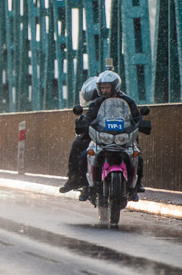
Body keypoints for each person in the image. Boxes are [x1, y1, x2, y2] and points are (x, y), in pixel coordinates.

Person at [59, 70, 144, 201]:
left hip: (122, 136)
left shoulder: (127, 101)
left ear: (115, 86)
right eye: (102, 88)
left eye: (107, 87)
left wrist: (141, 122)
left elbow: (136, 116)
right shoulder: (97, 102)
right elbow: (90, 115)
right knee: (81, 151)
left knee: (137, 156)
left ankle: (136, 185)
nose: (104, 90)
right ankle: (78, 181)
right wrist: (84, 121)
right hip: (102, 134)